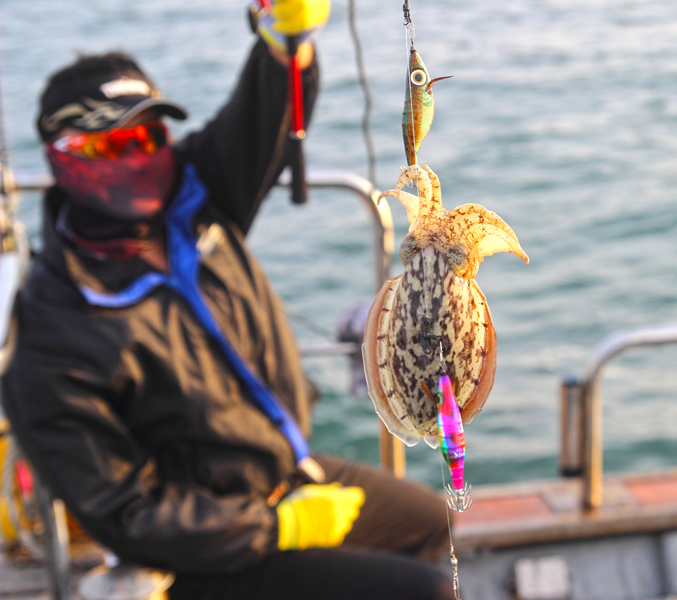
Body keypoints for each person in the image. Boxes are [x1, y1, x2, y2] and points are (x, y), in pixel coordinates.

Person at [0, 1, 456, 598]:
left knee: (434, 527)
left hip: (286, 474)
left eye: (149, 136)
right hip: (202, 545)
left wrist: (285, 40)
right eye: (110, 146)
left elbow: (261, 115)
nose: (137, 156)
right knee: (425, 592)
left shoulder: (194, 197)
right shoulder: (49, 329)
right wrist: (276, 527)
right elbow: (125, 512)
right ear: (61, 156)